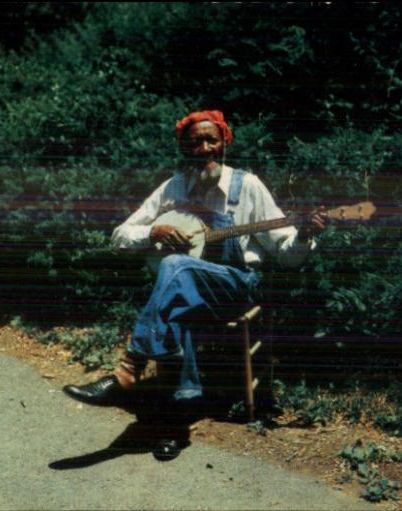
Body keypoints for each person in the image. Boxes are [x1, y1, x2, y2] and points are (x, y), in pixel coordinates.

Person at [63, 110, 326, 460]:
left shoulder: (246, 186)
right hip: (184, 290)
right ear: (184, 149)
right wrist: (151, 232)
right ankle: (175, 424)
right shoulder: (172, 188)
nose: (204, 149)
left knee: (173, 268)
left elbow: (286, 253)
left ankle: (128, 369)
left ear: (224, 143)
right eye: (195, 143)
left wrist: (304, 235)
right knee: (178, 302)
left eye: (211, 140)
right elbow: (120, 236)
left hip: (234, 287)